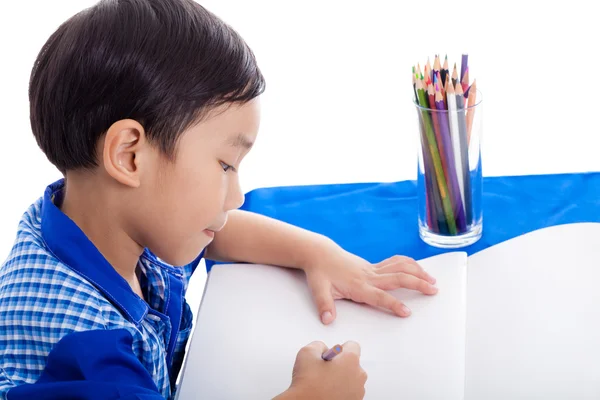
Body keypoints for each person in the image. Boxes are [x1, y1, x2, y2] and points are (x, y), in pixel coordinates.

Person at [0, 0, 438, 398]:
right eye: (226, 165)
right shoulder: (91, 360)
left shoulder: (91, 217)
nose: (238, 195)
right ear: (129, 155)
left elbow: (212, 235)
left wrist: (317, 252)